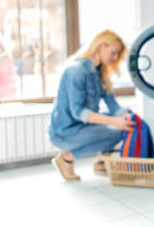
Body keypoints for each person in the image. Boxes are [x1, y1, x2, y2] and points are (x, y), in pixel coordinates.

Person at [48, 29, 134, 180]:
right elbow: (78, 113)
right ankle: (67, 158)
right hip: (65, 132)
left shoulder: (100, 73)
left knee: (126, 122)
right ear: (101, 46)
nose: (115, 58)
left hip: (82, 126)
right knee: (116, 130)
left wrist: (128, 116)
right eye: (113, 53)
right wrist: (115, 121)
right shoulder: (76, 71)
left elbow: (113, 106)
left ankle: (101, 161)